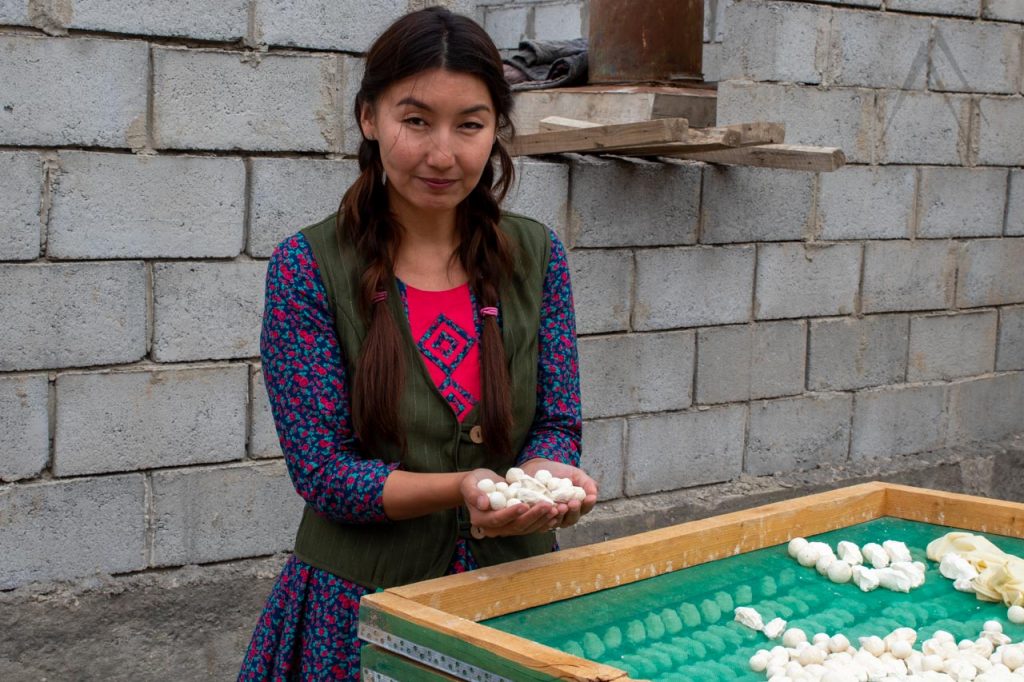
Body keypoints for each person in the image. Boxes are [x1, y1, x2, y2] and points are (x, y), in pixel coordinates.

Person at [238, 6, 596, 680]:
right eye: (416, 121)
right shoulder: (308, 268)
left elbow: (555, 420)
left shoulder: (535, 256)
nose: (442, 154)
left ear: (497, 130)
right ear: (369, 118)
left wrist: (544, 480)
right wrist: (462, 485)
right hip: (363, 611)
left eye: (470, 125)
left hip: (516, 604)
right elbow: (324, 472)